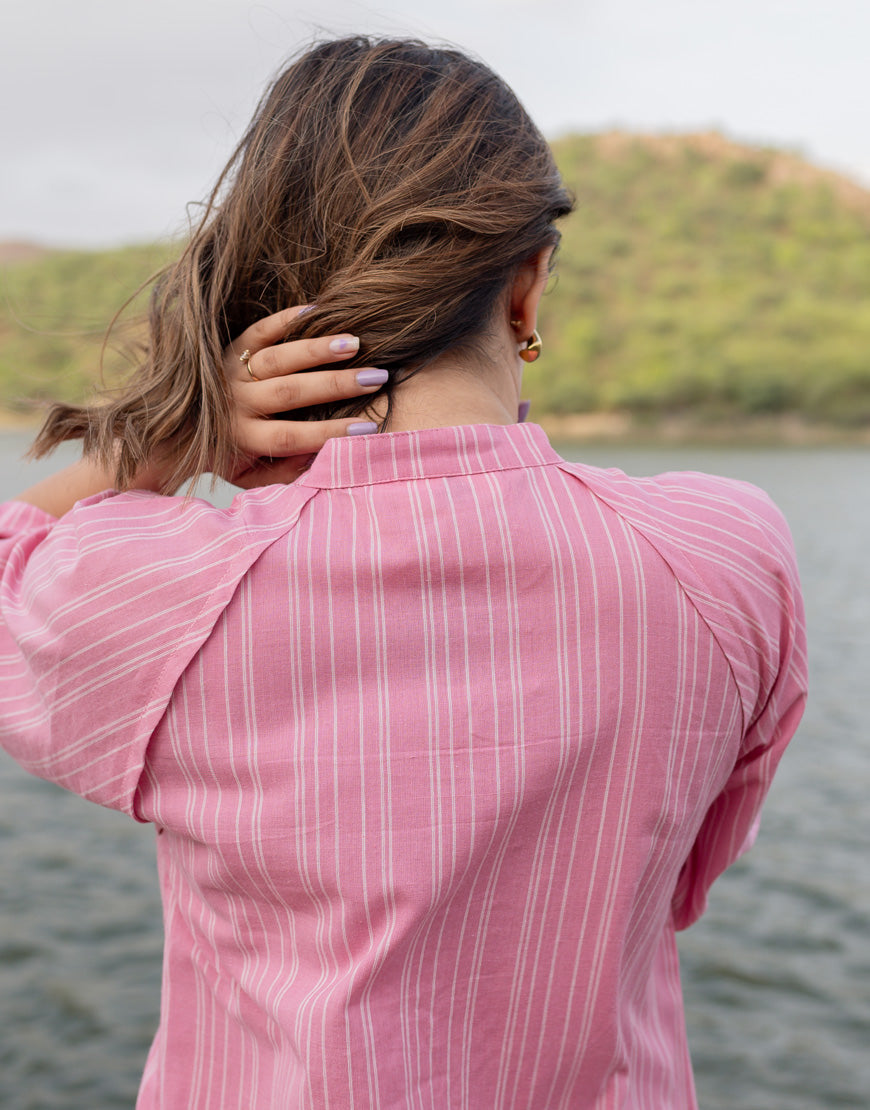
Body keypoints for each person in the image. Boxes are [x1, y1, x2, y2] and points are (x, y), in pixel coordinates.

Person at [0, 36, 806, 1109]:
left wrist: (168, 445)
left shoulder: (168, 594)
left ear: (272, 301)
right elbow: (682, 884)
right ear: (526, 291)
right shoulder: (726, 557)